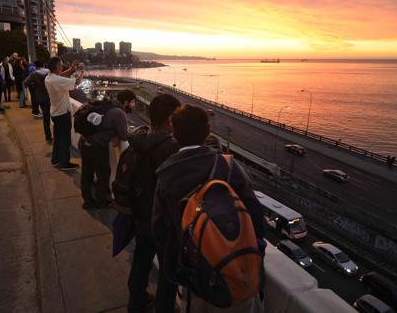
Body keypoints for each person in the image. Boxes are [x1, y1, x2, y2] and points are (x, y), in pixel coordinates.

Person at [152, 105, 266, 313]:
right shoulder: (229, 167)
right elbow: (257, 221)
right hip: (234, 271)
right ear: (207, 131)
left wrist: (176, 268)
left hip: (194, 273)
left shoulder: (166, 174)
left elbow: (160, 229)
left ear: (174, 134)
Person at [125, 94, 182, 313]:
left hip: (139, 214)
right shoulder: (170, 148)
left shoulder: (139, 140)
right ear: (170, 119)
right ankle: (164, 309)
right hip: (162, 221)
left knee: (141, 260)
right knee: (168, 271)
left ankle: (136, 302)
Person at [79, 89, 136, 209]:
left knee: (87, 173)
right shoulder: (119, 113)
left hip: (84, 142)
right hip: (96, 146)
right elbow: (124, 136)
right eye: (132, 102)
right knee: (103, 174)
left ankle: (87, 201)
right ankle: (103, 201)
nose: (133, 105)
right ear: (125, 102)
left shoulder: (108, 106)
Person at [45, 57, 85, 170]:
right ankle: (64, 163)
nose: (62, 67)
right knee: (65, 140)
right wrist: (82, 72)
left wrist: (72, 70)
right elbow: (76, 82)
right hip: (62, 114)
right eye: (61, 65)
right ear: (57, 67)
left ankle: (56, 159)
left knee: (58, 138)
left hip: (55, 112)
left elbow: (60, 76)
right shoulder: (56, 80)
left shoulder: (49, 77)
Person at [23, 60, 53, 142]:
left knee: (46, 117)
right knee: (55, 116)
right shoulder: (49, 72)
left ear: (35, 66)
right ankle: (57, 135)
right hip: (51, 97)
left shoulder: (33, 74)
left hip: (40, 98)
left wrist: (34, 86)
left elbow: (25, 83)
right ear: (43, 64)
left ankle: (48, 136)